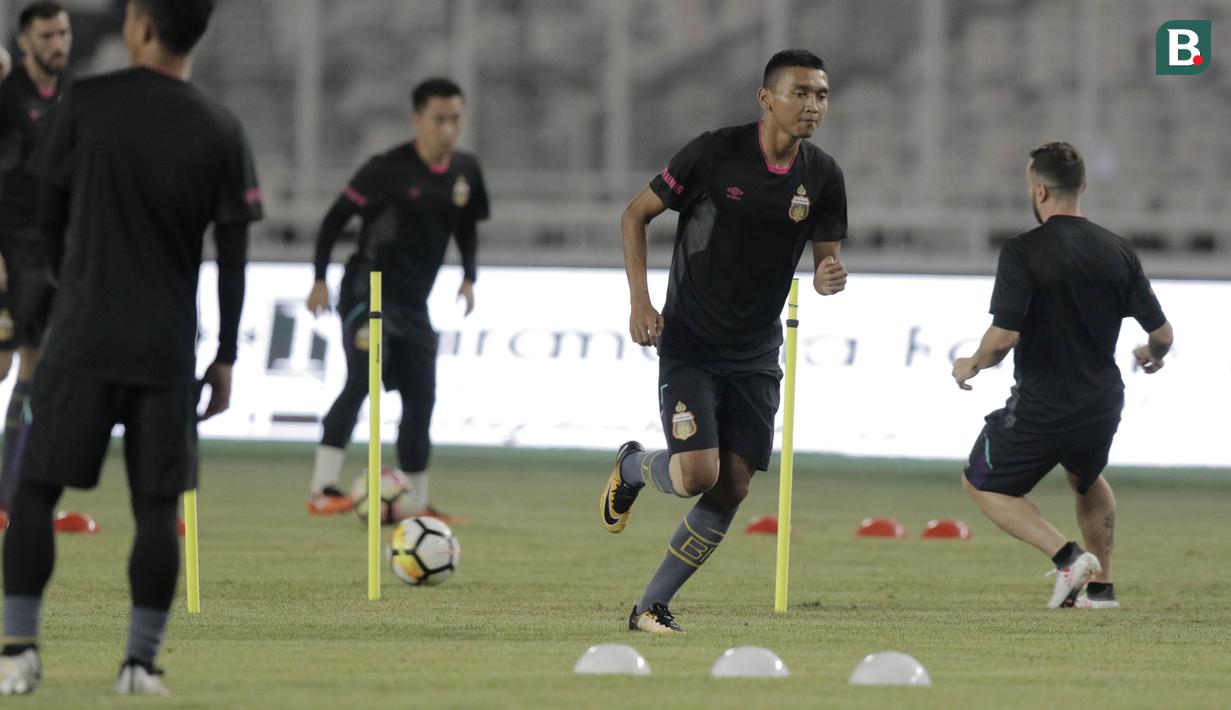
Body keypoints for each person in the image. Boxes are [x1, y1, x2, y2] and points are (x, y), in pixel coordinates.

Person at [0, 0, 260, 696]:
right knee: (156, 510)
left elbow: (45, 214)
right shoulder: (220, 128)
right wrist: (226, 355)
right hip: (166, 348)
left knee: (33, 492)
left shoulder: (85, 104)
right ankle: (139, 666)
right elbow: (234, 258)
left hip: (81, 336)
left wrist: (71, 285)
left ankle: (18, 652)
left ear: (140, 26)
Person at [599, 49, 848, 634]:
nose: (813, 105)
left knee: (733, 484)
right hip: (690, 342)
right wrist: (640, 301)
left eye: (821, 94)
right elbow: (634, 215)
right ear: (766, 98)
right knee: (695, 476)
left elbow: (827, 259)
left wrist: (828, 275)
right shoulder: (713, 153)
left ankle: (650, 607)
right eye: (800, 93)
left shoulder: (825, 175)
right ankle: (632, 469)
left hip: (756, 352)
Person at [952, 142, 1172, 610]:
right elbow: (1163, 333)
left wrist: (971, 362)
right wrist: (1151, 354)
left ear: (1038, 190)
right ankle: (1102, 591)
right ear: (1083, 187)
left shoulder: (1023, 251)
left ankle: (1069, 557)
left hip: (1044, 402)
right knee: (1087, 477)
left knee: (983, 483)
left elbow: (1004, 337)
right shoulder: (1118, 250)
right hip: (1102, 401)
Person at [305, 78, 488, 523]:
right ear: (418, 120)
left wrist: (468, 276)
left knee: (422, 397)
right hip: (367, 294)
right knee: (362, 380)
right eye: (439, 119)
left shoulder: (466, 171)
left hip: (413, 304)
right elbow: (333, 220)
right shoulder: (385, 169)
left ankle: (417, 504)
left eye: (455, 119)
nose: (449, 129)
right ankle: (322, 489)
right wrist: (319, 279)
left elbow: (465, 226)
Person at [0, 1, 73, 512]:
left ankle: (9, 496)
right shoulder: (6, 99)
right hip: (8, 250)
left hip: (54, 253)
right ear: (24, 42)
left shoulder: (75, 96)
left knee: (35, 367)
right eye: (47, 36)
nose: (58, 44)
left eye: (63, 33)